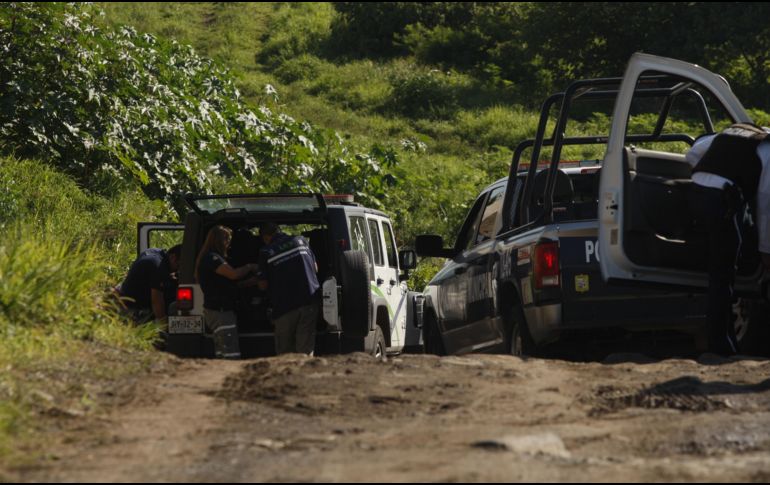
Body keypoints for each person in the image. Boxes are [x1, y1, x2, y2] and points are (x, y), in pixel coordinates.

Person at [685, 122, 770, 355]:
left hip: (695, 194)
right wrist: (765, 251)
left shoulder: (741, 130)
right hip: (722, 200)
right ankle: (722, 347)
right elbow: (764, 206)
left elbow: (693, 153)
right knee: (723, 276)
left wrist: (711, 174)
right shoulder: (768, 152)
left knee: (716, 261)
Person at [196, 225, 259, 359]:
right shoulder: (212, 258)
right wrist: (250, 267)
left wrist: (250, 282)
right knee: (230, 352)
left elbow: (226, 284)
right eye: (227, 240)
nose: (228, 244)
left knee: (221, 351)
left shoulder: (210, 258)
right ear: (219, 240)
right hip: (221, 311)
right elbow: (233, 274)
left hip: (217, 310)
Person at [257, 222, 321, 356]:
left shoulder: (266, 252)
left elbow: (263, 285)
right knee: (305, 350)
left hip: (284, 307)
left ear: (265, 237)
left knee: (285, 353)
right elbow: (315, 268)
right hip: (309, 301)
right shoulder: (301, 241)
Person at [116, 245, 182, 324]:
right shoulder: (158, 266)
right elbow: (157, 302)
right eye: (178, 266)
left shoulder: (156, 253)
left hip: (126, 298)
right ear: (173, 257)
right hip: (133, 309)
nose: (177, 270)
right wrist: (165, 325)